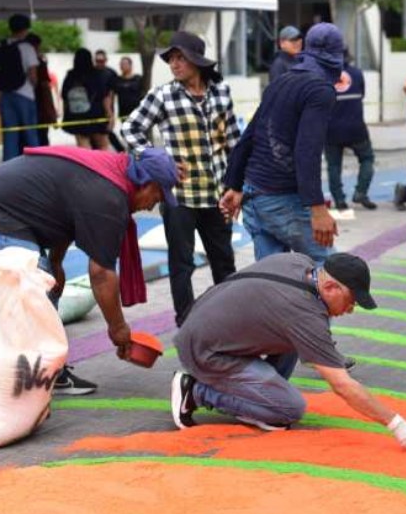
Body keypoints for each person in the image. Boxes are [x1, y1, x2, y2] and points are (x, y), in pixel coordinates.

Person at [170, 251, 406, 449]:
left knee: (294, 342)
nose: (351, 309)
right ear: (330, 288)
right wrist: (397, 424)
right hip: (205, 352)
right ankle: (196, 390)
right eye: (351, 300)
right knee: (289, 409)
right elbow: (342, 385)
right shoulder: (304, 315)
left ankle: (251, 392)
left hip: (204, 327)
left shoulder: (297, 262)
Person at [0, 146, 178, 393]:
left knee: (47, 281)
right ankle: (34, 375)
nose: (152, 205)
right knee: (33, 292)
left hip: (3, 206)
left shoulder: (110, 171)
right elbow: (100, 274)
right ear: (146, 183)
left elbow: (64, 210)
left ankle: (48, 371)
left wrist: (56, 262)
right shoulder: (109, 197)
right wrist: (119, 329)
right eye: (157, 196)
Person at [123, 31, 241, 328]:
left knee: (224, 262)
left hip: (217, 194)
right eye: (171, 59)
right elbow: (130, 129)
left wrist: (239, 184)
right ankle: (187, 324)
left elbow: (233, 141)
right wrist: (156, 158)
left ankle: (231, 321)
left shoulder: (221, 92)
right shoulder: (162, 95)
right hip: (179, 197)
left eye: (180, 58)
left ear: (197, 61)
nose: (174, 64)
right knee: (182, 264)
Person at [220, 23, 344, 265]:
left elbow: (249, 135)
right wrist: (318, 209)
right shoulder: (320, 90)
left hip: (253, 196)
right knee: (334, 273)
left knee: (273, 283)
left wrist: (234, 185)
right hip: (281, 199)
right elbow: (307, 151)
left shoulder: (280, 81)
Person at [325, 51, 376, 211]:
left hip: (331, 129)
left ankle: (339, 200)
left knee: (334, 166)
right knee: (367, 158)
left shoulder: (323, 77)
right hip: (356, 127)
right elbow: (362, 95)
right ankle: (361, 192)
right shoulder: (357, 73)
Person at [0, 14, 39, 161]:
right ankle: (37, 165)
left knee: (10, 135)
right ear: (25, 29)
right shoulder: (27, 47)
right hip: (25, 95)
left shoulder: (0, 45)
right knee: (30, 133)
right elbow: (33, 74)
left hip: (5, 94)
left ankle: (9, 165)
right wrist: (34, 86)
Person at [61, 48, 112, 150]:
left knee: (83, 146)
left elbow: (64, 96)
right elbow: (104, 95)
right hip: (96, 114)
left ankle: (87, 165)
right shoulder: (96, 74)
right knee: (102, 145)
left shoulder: (71, 75)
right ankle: (103, 166)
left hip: (76, 116)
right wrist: (109, 113)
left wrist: (66, 115)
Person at [25, 33, 57, 147]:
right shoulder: (39, 63)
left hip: (27, 106)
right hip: (40, 107)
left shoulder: (18, 62)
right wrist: (51, 111)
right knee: (41, 138)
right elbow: (45, 88)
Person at [94, 49, 122, 152]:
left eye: (102, 61)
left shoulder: (111, 73)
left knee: (107, 131)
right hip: (93, 109)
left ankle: (120, 150)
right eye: (97, 61)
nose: (100, 63)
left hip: (106, 107)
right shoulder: (91, 72)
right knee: (97, 134)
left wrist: (111, 112)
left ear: (106, 60)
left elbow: (112, 94)